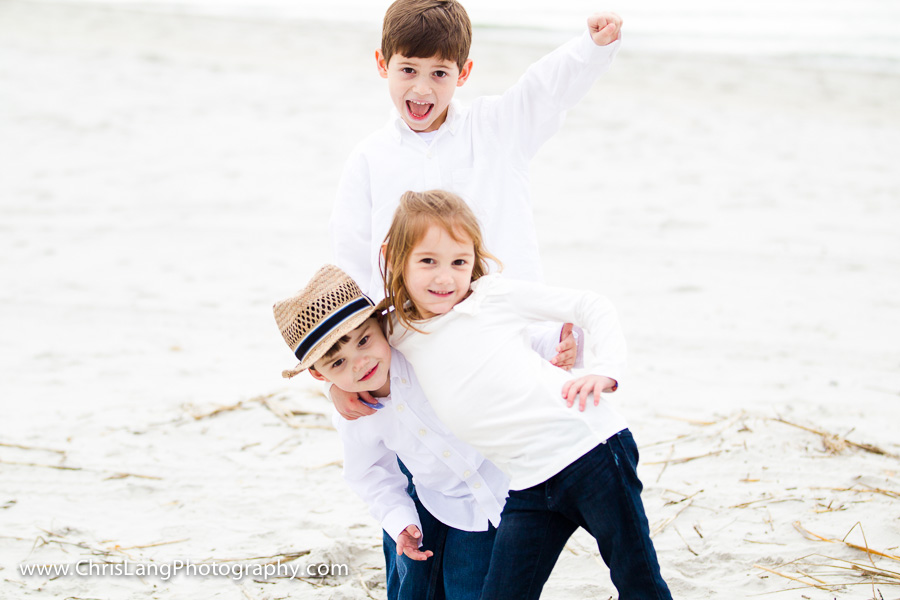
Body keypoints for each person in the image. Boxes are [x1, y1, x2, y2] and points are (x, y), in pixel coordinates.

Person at [328, 0, 624, 420]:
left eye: (440, 74)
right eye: (408, 69)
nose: (422, 89)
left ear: (463, 73)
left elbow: (544, 90)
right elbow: (351, 263)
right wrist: (344, 375)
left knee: (512, 434)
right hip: (415, 346)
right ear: (383, 64)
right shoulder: (369, 159)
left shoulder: (496, 128)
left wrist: (591, 47)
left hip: (503, 337)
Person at [381, 190, 673, 600]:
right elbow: (350, 345)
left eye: (459, 262)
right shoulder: (396, 328)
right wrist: (338, 390)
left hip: (590, 452)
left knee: (637, 579)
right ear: (395, 258)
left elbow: (591, 305)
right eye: (428, 261)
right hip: (530, 483)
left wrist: (606, 369)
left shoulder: (491, 297)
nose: (445, 278)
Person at [273, 265, 507, 600]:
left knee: (472, 587)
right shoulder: (357, 415)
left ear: (382, 325)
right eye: (337, 363)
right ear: (318, 375)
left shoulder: (423, 348)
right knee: (414, 583)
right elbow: (370, 474)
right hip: (440, 498)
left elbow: (489, 338)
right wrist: (399, 520)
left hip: (500, 483)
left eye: (364, 341)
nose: (359, 364)